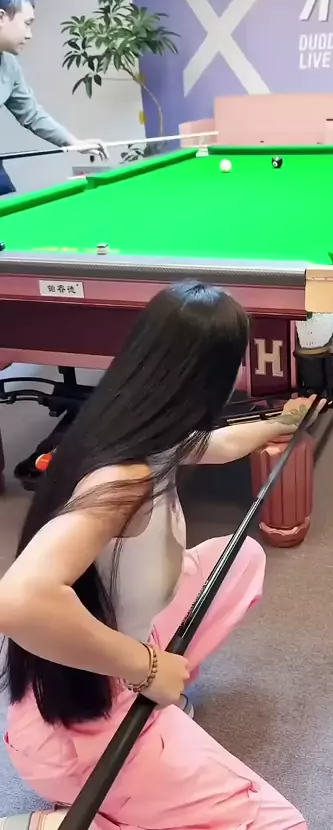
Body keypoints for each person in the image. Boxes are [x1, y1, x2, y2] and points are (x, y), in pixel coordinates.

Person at [0, 281, 309, 830]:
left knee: (237, 559)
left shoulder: (142, 429)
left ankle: (154, 709)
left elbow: (219, 445)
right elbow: (18, 602)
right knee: (280, 826)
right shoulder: (122, 479)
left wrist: (286, 421)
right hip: (77, 731)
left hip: (108, 650)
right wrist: (146, 669)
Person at [0, 0, 107, 194]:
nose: (29, 34)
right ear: (1, 18)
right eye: (27, 23)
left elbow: (32, 114)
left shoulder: (9, 66)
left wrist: (73, 142)